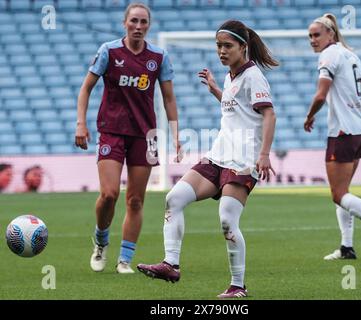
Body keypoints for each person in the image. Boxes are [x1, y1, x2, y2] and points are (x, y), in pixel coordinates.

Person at [137, 20, 278, 298]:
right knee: (174, 198)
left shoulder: (254, 77)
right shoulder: (230, 77)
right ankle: (171, 264)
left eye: (227, 46)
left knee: (227, 219)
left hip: (243, 160)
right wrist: (216, 89)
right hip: (218, 156)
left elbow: (269, 114)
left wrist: (263, 155)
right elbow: (234, 107)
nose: (221, 51)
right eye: (218, 46)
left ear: (243, 47)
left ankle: (238, 286)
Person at [75, 3, 180, 274]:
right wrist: (81, 124)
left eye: (143, 22)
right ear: (125, 23)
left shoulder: (159, 56)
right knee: (109, 194)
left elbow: (169, 98)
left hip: (145, 135)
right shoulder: (109, 51)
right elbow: (86, 88)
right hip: (111, 130)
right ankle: (100, 241)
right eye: (134, 21)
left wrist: (176, 135)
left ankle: (125, 260)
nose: (138, 26)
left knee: (135, 200)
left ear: (149, 25)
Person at [304, 13, 361, 260]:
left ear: (330, 34)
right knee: (343, 192)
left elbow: (320, 95)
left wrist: (309, 116)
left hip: (343, 132)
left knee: (338, 194)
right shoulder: (350, 54)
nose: (312, 40)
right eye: (310, 36)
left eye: (316, 35)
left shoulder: (329, 55)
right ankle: (347, 247)